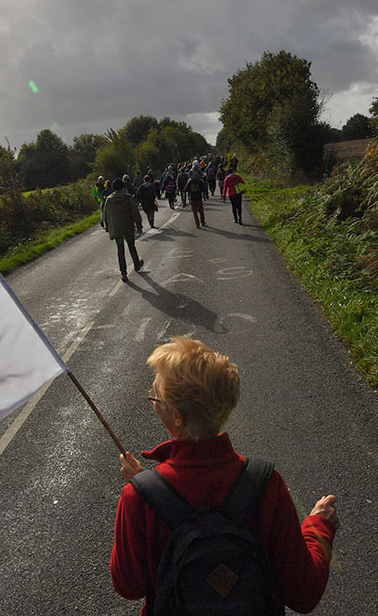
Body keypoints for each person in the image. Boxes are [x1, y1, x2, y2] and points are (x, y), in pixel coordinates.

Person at [111, 337, 339, 615]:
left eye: (156, 397)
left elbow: (128, 586)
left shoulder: (138, 498)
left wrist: (145, 490)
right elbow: (304, 594)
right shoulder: (266, 485)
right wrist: (319, 527)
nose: (153, 400)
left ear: (178, 417)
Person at [103, 178, 145, 282]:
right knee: (131, 246)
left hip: (117, 229)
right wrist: (139, 225)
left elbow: (106, 214)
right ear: (123, 187)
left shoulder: (109, 199)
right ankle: (136, 264)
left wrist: (108, 227)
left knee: (120, 250)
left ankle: (123, 273)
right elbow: (135, 212)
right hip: (128, 227)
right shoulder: (128, 198)